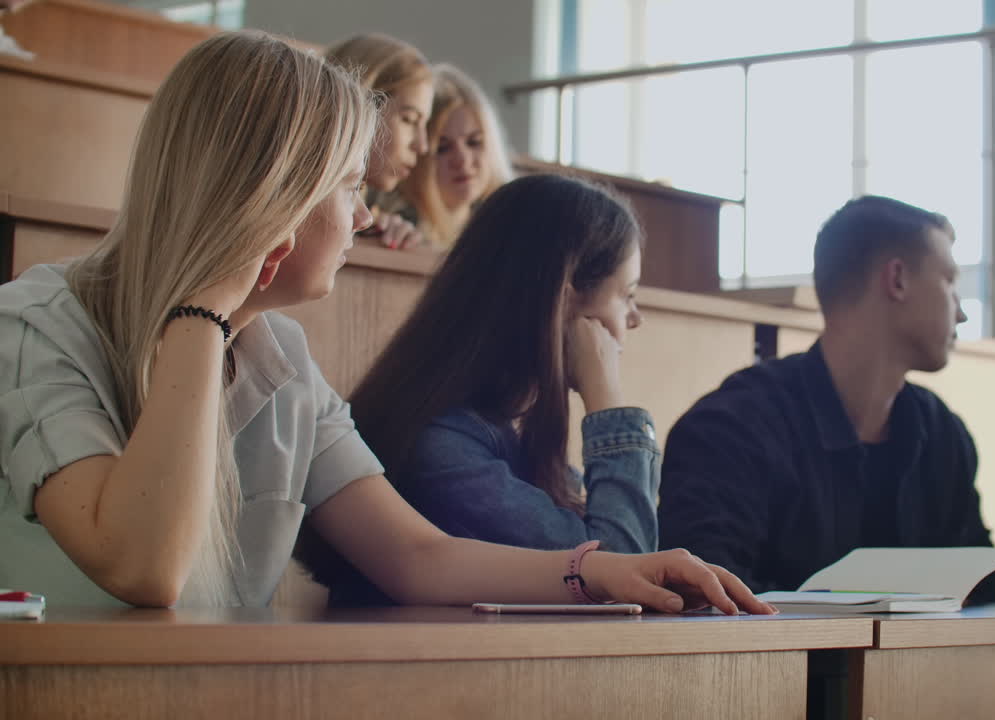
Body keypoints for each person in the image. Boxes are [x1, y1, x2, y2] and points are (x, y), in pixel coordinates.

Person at [0, 30, 772, 616]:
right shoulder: (36, 327)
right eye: (346, 185)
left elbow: (415, 554)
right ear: (272, 197)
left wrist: (596, 571)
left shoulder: (282, 357)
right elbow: (144, 568)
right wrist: (203, 304)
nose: (366, 214)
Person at [307, 174, 655, 607]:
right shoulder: (444, 447)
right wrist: (607, 401)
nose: (634, 319)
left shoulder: (508, 435)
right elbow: (620, 575)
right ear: (564, 302)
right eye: (627, 295)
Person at [657, 195, 995, 604]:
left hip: (921, 669)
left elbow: (983, 594)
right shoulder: (731, 429)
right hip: (773, 668)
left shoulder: (942, 432)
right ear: (897, 279)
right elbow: (708, 599)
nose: (961, 312)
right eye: (949, 282)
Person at [325, 33, 432, 251]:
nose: (422, 146)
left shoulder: (379, 214)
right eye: (409, 120)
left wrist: (385, 231)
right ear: (362, 105)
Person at [401, 63, 514, 249]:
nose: (462, 160)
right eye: (442, 148)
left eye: (474, 142)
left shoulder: (508, 226)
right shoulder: (399, 229)